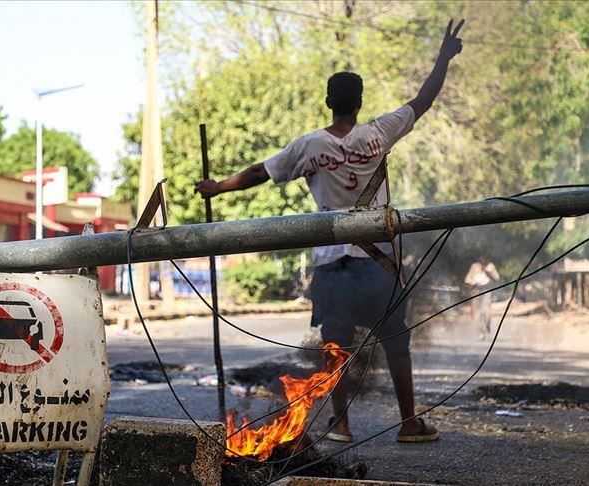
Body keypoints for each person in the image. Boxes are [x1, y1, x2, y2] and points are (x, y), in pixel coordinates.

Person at [196, 19, 466, 443]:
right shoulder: (378, 133)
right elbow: (424, 99)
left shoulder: (309, 146)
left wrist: (218, 187)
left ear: (328, 103)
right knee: (396, 342)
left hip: (332, 265)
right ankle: (409, 423)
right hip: (378, 263)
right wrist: (443, 57)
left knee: (334, 347)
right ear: (359, 104)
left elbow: (259, 174)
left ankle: (340, 424)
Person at [465, 257, 500, 339]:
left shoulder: (490, 266)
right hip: (476, 290)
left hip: (487, 290)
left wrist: (489, 273)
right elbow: (468, 279)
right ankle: (481, 333)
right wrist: (472, 283)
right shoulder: (475, 266)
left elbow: (496, 278)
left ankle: (487, 325)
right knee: (477, 313)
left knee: (486, 311)